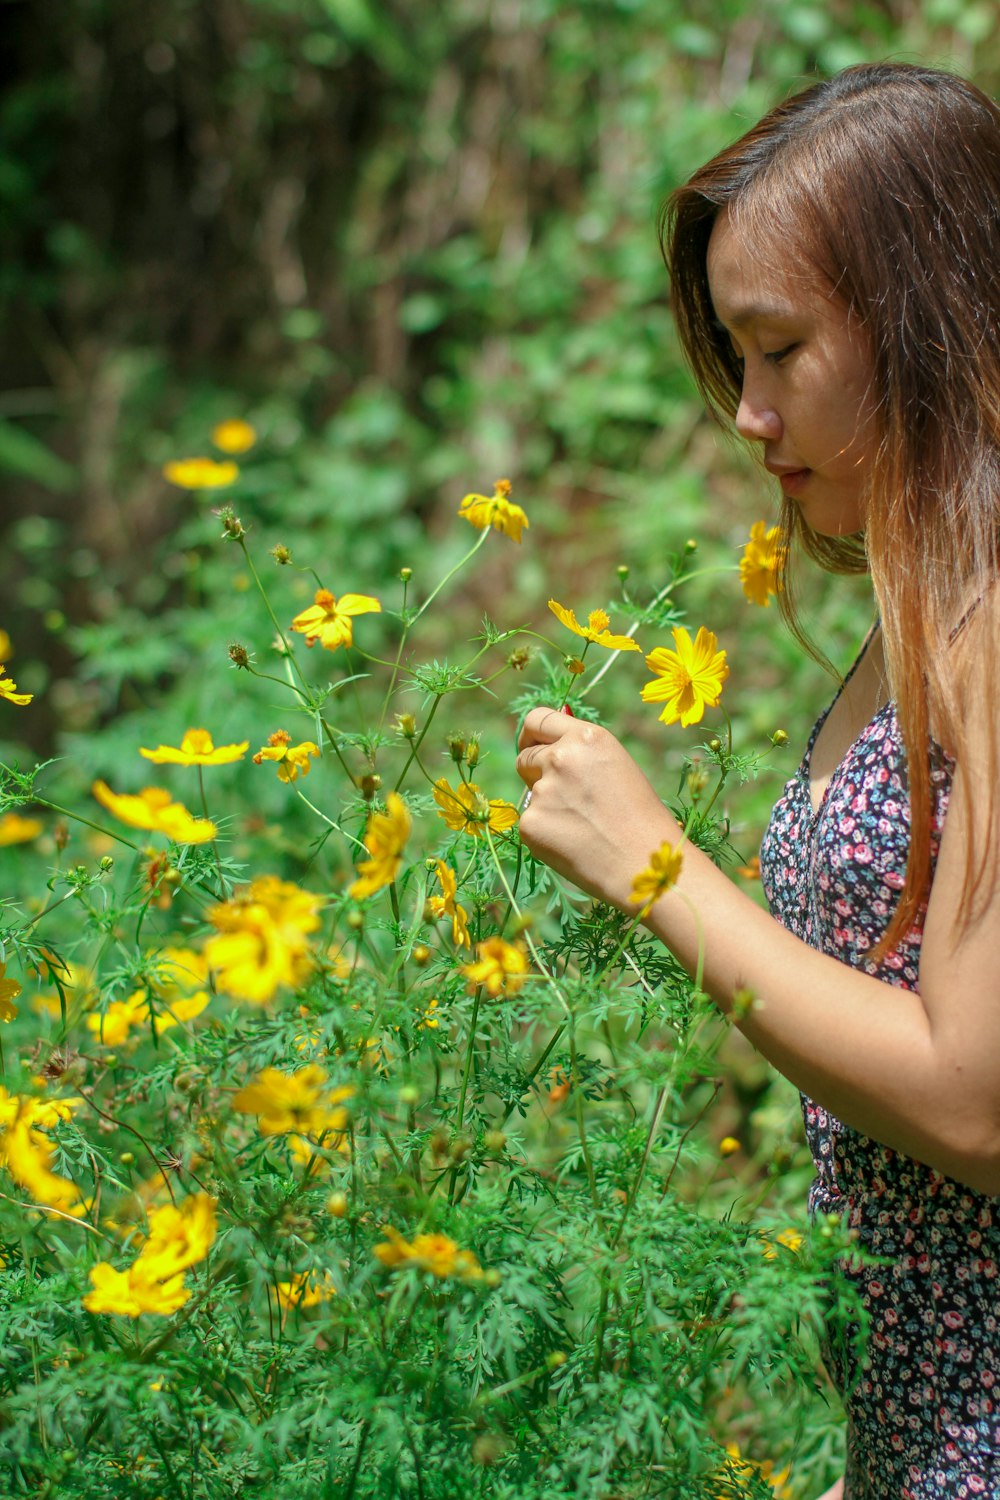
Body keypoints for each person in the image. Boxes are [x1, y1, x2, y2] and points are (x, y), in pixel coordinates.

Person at [515, 63, 1000, 1500]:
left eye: (780, 351)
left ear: (932, 328)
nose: (745, 412)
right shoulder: (927, 606)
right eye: (739, 357)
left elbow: (977, 1107)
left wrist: (658, 867)